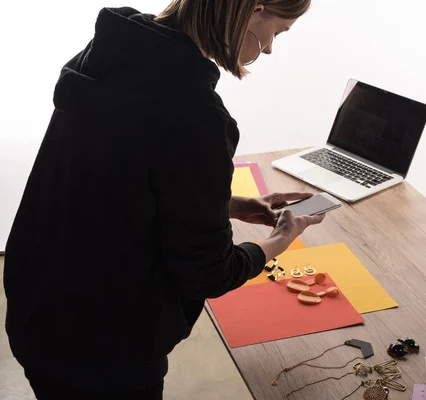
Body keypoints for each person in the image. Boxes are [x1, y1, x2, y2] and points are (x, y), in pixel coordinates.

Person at [3, 1, 321, 398]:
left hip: (37, 310)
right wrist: (278, 241)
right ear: (254, 10)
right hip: (105, 348)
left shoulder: (111, 54)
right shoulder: (197, 114)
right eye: (279, 30)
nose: (271, 48)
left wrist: (227, 205)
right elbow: (208, 272)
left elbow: (113, 189)